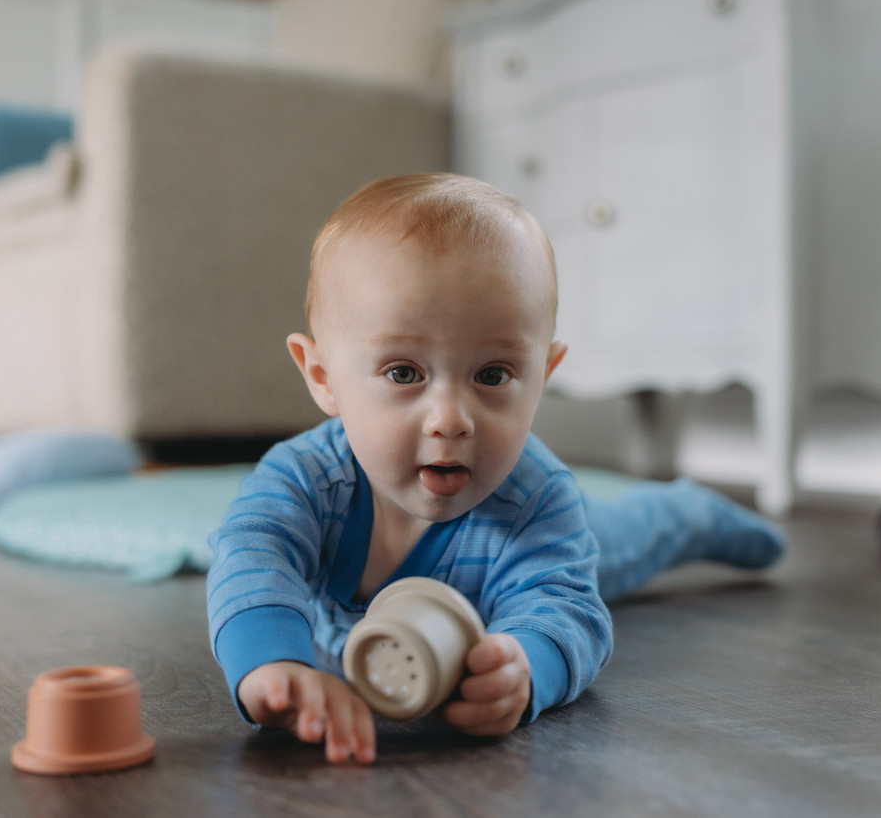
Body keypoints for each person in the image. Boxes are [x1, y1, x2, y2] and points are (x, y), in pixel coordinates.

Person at [206, 174, 786, 765]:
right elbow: (252, 556)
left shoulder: (538, 499)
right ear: (323, 375)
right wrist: (269, 664)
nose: (451, 420)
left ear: (543, 375)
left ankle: (689, 511)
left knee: (627, 539)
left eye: (492, 374)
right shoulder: (304, 480)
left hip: (533, 547)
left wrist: (525, 666)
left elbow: (566, 608)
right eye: (404, 373)